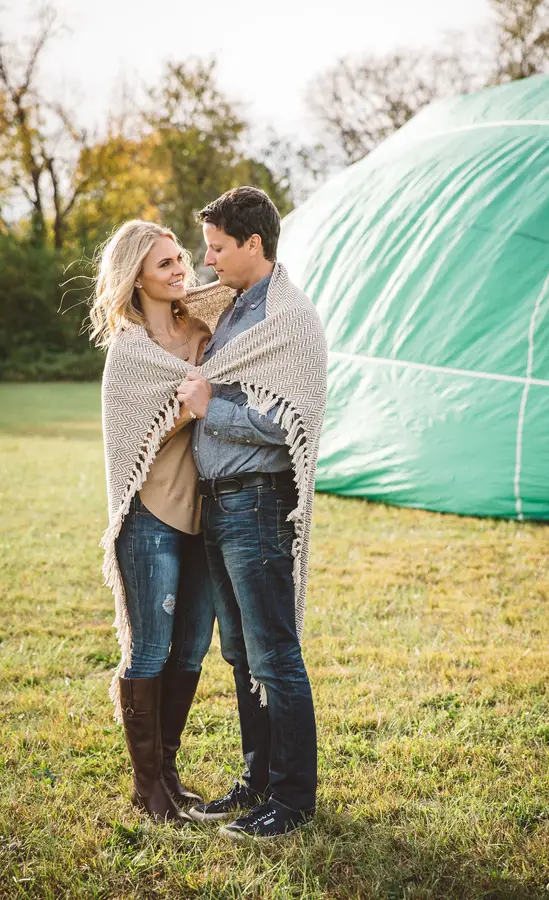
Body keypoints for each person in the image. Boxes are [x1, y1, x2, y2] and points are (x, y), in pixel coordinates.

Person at [176, 186, 328, 841]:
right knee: (240, 654)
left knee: (274, 656)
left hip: (259, 504)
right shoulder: (233, 310)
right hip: (220, 505)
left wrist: (213, 409)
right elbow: (177, 307)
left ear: (252, 245)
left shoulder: (286, 318)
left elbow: (286, 420)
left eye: (216, 247)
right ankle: (258, 780)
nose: (206, 260)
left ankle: (292, 800)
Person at [90, 220, 217, 824]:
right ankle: (150, 789)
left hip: (206, 515)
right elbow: (130, 443)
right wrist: (183, 412)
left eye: (180, 259)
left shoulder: (205, 328)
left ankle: (165, 771)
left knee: (191, 649)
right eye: (164, 263)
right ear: (135, 274)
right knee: (151, 651)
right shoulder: (130, 351)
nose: (179, 270)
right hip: (151, 517)